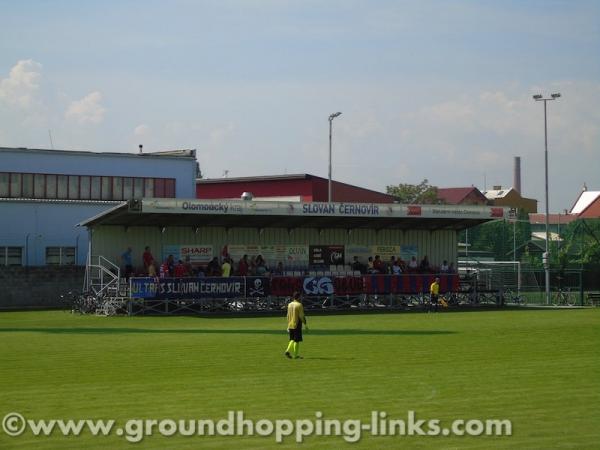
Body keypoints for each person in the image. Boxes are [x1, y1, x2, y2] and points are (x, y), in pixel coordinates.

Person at [285, 291, 308, 359]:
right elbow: (301, 316)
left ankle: (288, 351)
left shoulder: (289, 304)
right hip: (297, 324)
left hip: (290, 324)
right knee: (297, 340)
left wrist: (288, 325)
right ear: (298, 297)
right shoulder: (299, 305)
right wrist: (305, 324)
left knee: (292, 339)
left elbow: (287, 315)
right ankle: (294, 355)